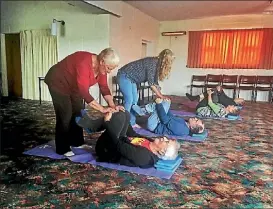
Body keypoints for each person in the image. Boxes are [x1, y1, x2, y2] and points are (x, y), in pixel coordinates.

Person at [44, 48, 124, 155]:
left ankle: (76, 142)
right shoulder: (84, 63)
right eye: (109, 68)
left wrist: (113, 106)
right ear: (102, 62)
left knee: (78, 111)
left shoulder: (102, 69)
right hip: (58, 82)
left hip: (73, 87)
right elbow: (84, 92)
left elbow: (104, 87)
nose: (110, 71)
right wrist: (102, 109)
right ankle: (62, 148)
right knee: (65, 114)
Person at [76, 111, 181, 168]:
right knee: (125, 114)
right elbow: (132, 134)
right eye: (167, 139)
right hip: (118, 140)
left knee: (120, 117)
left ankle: (91, 126)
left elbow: (118, 145)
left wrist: (107, 123)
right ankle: (91, 126)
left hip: (107, 150)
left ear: (162, 151)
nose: (164, 137)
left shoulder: (144, 157)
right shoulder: (151, 143)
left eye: (166, 142)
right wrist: (128, 120)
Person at [117, 49, 175, 127]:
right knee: (129, 100)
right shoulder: (152, 62)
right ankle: (124, 124)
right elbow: (151, 84)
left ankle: (132, 123)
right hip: (124, 75)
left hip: (132, 79)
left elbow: (155, 82)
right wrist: (161, 96)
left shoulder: (157, 65)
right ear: (165, 60)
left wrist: (161, 95)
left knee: (134, 101)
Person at [132, 98, 205, 136]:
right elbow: (170, 116)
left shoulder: (181, 128)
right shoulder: (184, 124)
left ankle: (143, 111)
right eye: (197, 119)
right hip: (158, 122)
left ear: (192, 127)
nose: (195, 118)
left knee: (165, 103)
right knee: (167, 102)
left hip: (154, 125)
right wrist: (166, 108)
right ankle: (143, 110)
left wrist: (159, 104)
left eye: (196, 121)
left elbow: (165, 119)